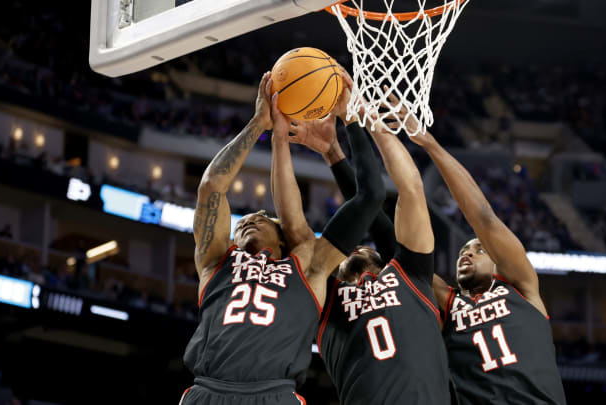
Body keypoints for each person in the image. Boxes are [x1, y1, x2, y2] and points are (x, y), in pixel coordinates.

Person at [181, 71, 384, 405]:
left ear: (281, 237)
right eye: (241, 222)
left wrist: (350, 121)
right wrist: (260, 124)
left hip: (273, 394)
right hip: (209, 389)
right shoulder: (218, 260)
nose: (247, 221)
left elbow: (368, 198)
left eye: (259, 218)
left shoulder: (307, 266)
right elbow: (210, 187)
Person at [386, 97, 566, 404]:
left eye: (478, 249)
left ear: (498, 263)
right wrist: (372, 135)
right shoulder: (448, 302)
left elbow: (483, 216)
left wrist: (429, 144)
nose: (466, 254)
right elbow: (407, 255)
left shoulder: (522, 287)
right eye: (461, 252)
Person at [287, 80, 450, 404]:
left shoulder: (412, 277)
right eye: (349, 247)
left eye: (364, 246)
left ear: (386, 259)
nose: (356, 246)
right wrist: (334, 147)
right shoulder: (326, 297)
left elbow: (380, 208)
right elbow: (360, 210)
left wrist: (345, 138)